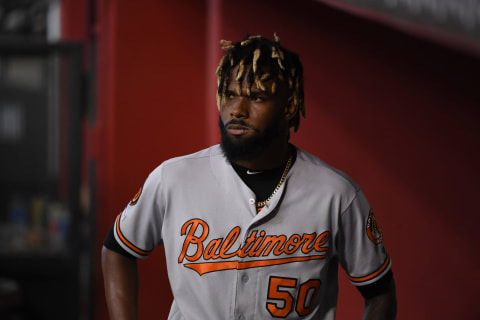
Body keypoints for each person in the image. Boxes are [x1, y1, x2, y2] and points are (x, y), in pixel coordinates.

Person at [102, 34, 397, 320]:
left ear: (290, 105)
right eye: (230, 94)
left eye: (256, 97)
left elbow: (380, 293)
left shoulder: (336, 194)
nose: (237, 110)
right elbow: (117, 249)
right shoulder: (173, 179)